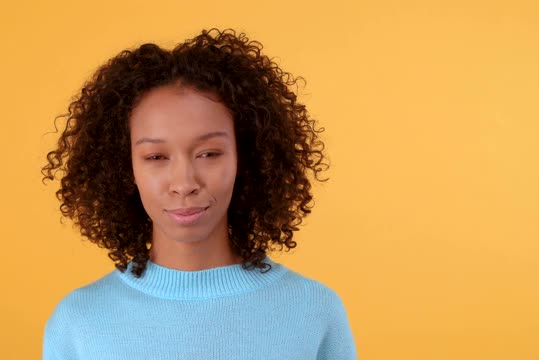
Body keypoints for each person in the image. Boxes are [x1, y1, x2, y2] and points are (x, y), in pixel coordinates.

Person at [41, 27, 357, 359]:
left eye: (209, 154)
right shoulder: (78, 323)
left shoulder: (314, 312)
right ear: (124, 168)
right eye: (156, 157)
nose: (184, 182)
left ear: (245, 157)